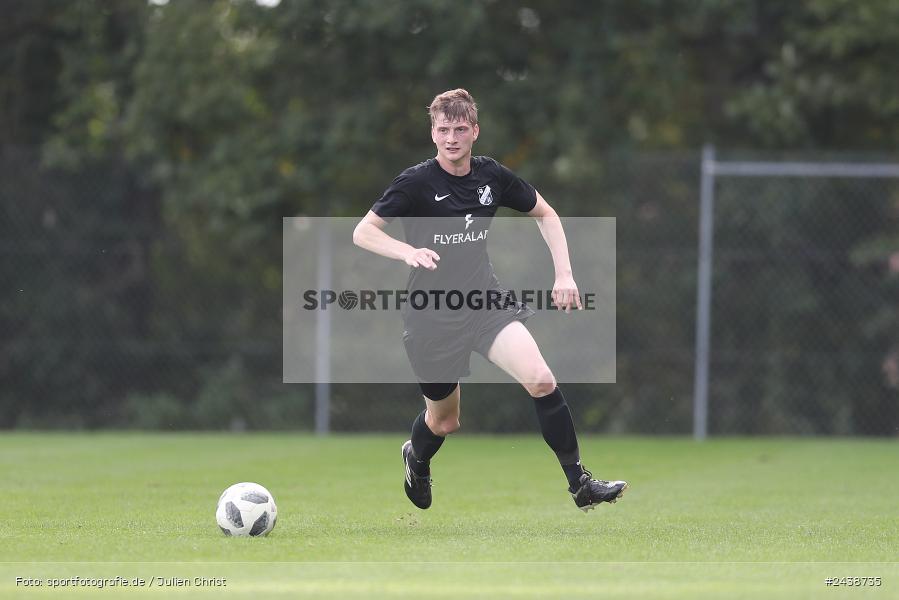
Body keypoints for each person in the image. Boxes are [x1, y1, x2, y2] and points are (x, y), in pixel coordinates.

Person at [352, 89, 627, 512]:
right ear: (432, 133)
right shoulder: (416, 182)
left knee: (541, 379)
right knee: (445, 421)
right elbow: (363, 232)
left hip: (485, 303)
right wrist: (407, 252)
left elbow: (546, 214)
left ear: (475, 132)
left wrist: (565, 274)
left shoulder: (491, 177)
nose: (451, 138)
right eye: (443, 129)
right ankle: (417, 457)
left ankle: (580, 485)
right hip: (432, 319)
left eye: (460, 129)